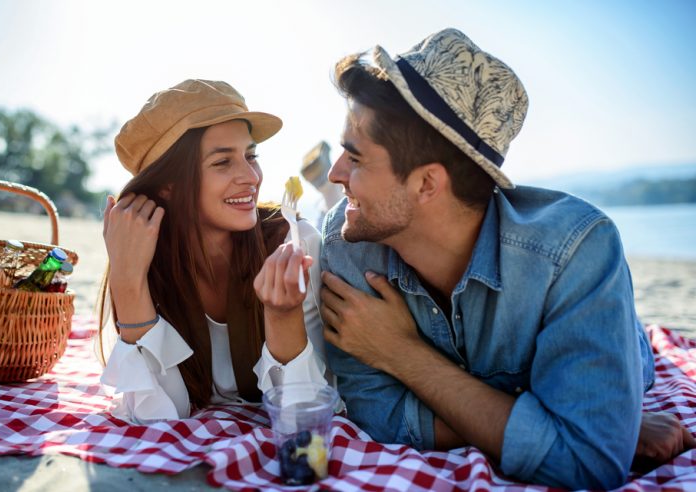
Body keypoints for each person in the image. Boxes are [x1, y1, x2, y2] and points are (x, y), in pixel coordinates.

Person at [318, 28, 694, 489]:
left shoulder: (575, 251)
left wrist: (403, 355)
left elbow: (589, 463)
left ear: (427, 184)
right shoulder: (345, 241)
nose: (336, 174)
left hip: (620, 346)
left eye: (355, 159)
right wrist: (554, 424)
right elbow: (380, 415)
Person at [97, 79, 327, 423]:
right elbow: (159, 417)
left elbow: (302, 412)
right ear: (168, 186)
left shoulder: (292, 242)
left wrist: (281, 314)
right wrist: (128, 282)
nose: (250, 176)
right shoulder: (145, 259)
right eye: (223, 162)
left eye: (251, 156)